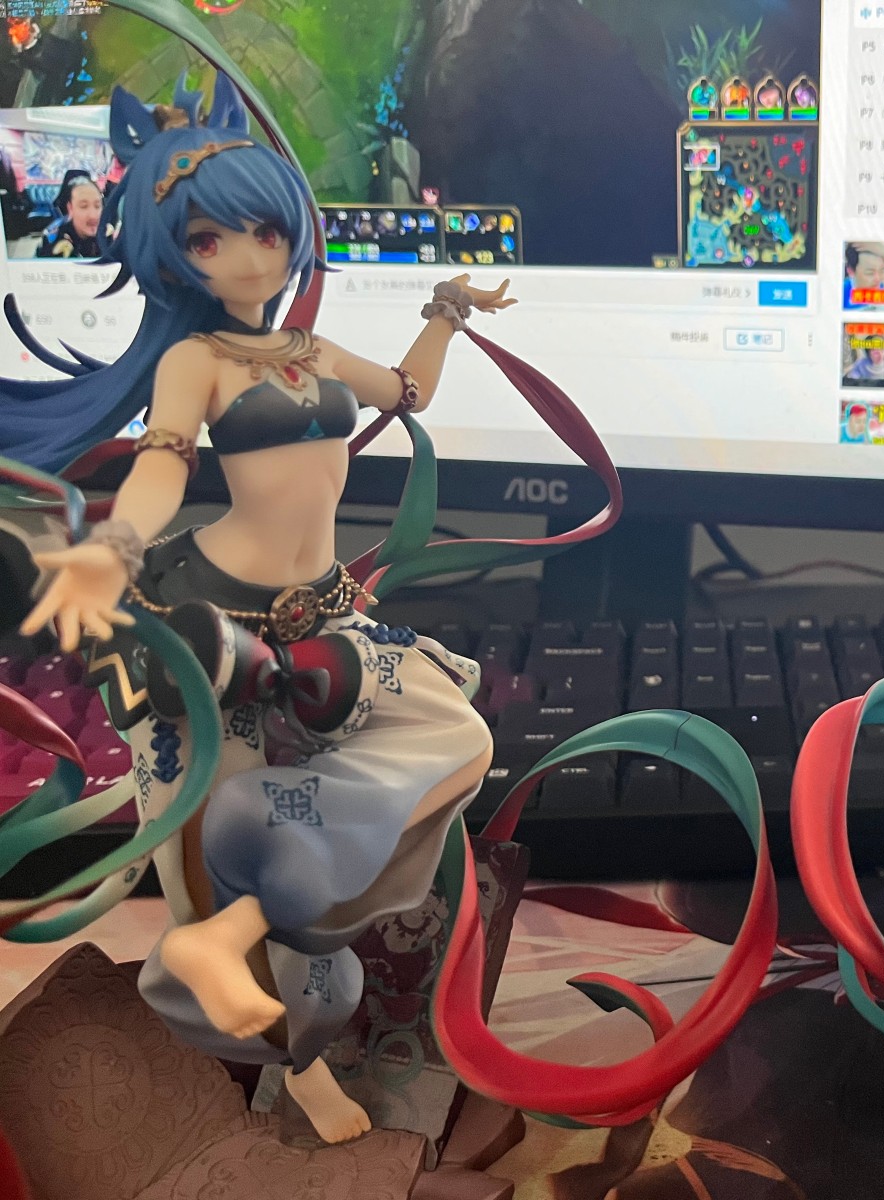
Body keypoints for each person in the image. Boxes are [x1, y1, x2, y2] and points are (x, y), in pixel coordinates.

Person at [0, 80, 513, 1145]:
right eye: (210, 239)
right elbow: (160, 469)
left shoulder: (313, 353)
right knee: (196, 855)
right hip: (212, 622)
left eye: (266, 232)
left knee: (455, 741)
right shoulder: (193, 362)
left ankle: (255, 917)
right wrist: (112, 548)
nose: (247, 257)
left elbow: (408, 392)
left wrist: (446, 311)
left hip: (327, 617)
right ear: (176, 256)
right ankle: (295, 1055)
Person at [35, 170, 103, 258]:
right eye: (84, 206)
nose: (93, 215)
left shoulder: (107, 235)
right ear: (70, 208)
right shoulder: (54, 239)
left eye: (97, 206)